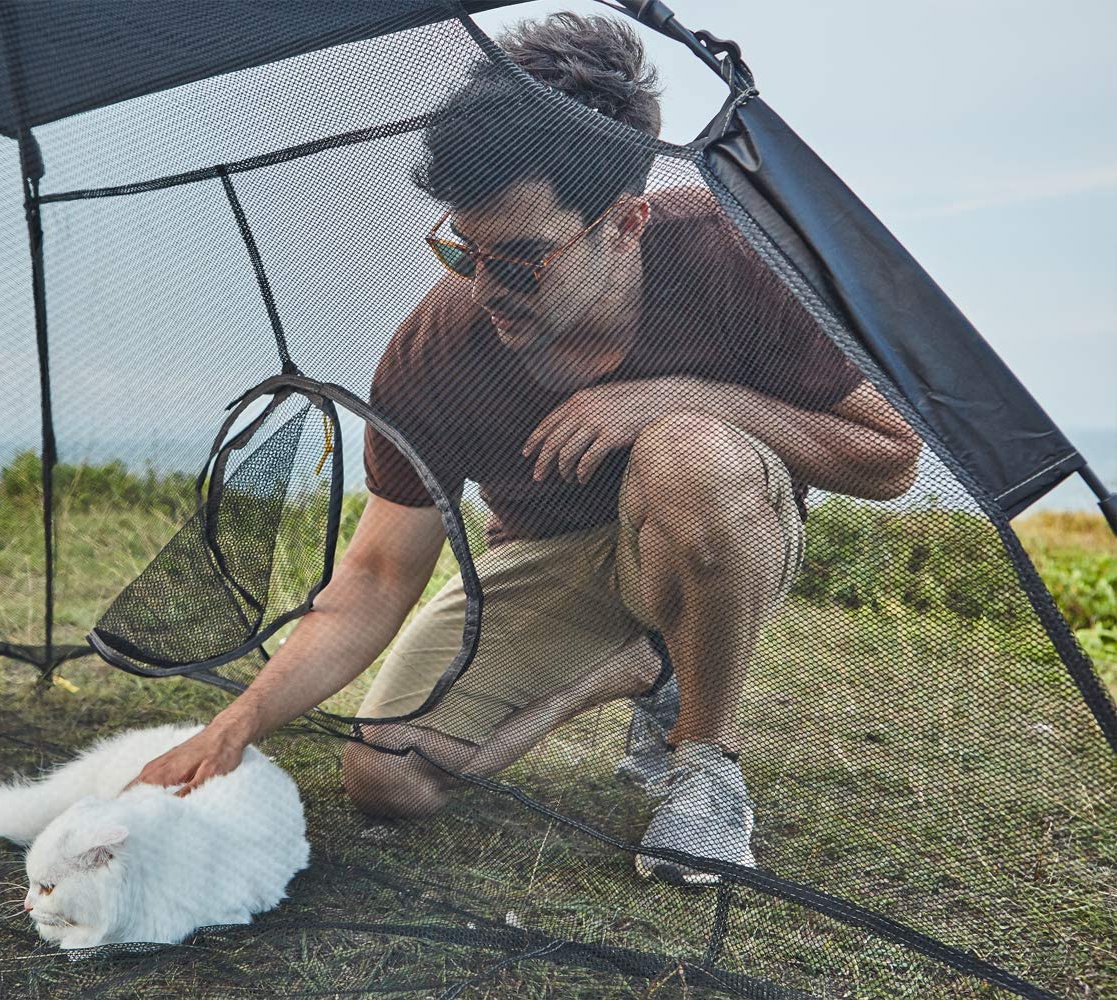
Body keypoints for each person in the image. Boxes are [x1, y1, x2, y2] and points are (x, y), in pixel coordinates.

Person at [133, 13, 922, 885]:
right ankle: (643, 663)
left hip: (717, 523)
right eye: (460, 251)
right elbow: (379, 576)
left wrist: (680, 396)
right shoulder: (435, 350)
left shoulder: (728, 252)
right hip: (550, 558)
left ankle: (704, 762)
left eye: (519, 258)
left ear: (625, 222)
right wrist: (234, 726)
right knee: (385, 772)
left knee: (687, 450)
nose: (483, 286)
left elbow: (891, 456)